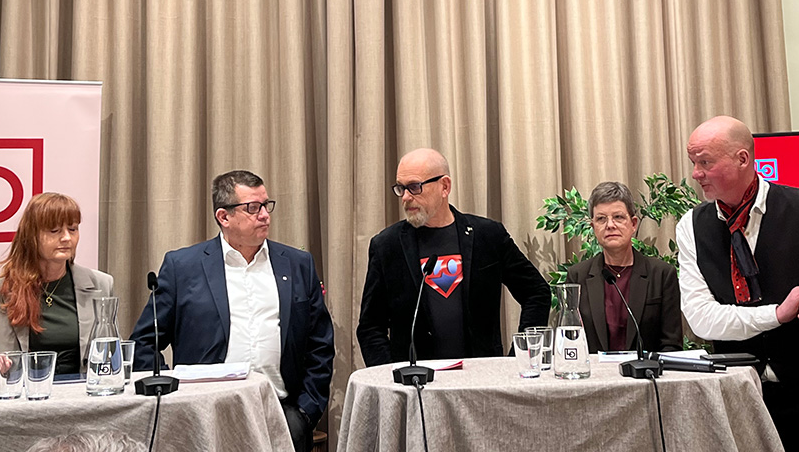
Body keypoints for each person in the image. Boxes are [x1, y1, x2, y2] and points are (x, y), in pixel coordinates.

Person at [676, 116, 799, 452]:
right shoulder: (690, 227)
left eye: (705, 162)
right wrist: (778, 314)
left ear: (742, 158)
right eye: (693, 162)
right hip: (739, 397)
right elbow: (701, 318)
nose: (696, 173)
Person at [130, 170, 333, 452]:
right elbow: (144, 343)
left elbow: (320, 344)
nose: (265, 215)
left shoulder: (297, 264)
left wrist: (306, 411)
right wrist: (172, 397)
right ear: (223, 217)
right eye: (253, 208)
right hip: (202, 415)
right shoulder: (183, 267)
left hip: (281, 414)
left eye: (266, 205)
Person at [356, 148, 551, 366]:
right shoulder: (387, 245)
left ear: (445, 186)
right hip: (416, 380)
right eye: (401, 188)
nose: (406, 197)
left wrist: (519, 358)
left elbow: (537, 293)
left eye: (415, 187)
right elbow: (370, 327)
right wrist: (388, 375)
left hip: (481, 376)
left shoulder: (488, 236)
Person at [0, 192, 115, 382]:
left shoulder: (101, 285)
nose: (67, 238)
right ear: (31, 235)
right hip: (23, 397)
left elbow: (112, 359)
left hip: (84, 395)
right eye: (54, 230)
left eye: (73, 229)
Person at [565, 181, 682, 353]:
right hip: (594, 370)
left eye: (618, 217)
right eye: (601, 219)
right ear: (593, 227)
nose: (610, 225)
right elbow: (570, 341)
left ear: (633, 224)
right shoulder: (577, 276)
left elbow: (671, 345)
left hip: (646, 370)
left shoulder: (662, 274)